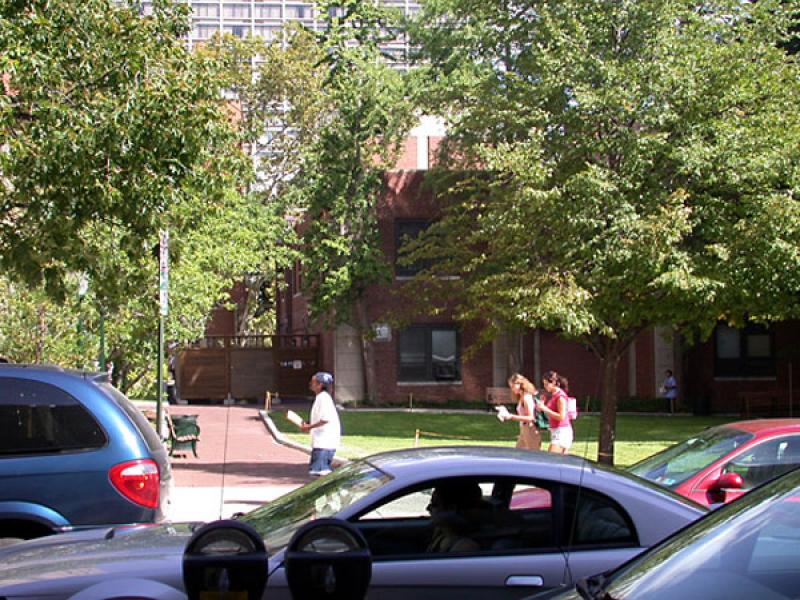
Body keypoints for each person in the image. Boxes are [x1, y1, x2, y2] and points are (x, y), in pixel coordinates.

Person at [300, 371, 341, 476]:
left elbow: (325, 419)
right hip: (322, 443)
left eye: (313, 381)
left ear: (320, 385)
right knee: (318, 472)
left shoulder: (323, 398)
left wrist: (309, 427)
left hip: (324, 443)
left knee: (319, 473)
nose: (310, 383)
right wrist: (309, 425)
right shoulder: (321, 397)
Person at [426, 480, 484, 553]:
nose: (428, 508)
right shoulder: (442, 533)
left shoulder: (464, 547)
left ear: (451, 509)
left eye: (434, 504)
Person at [497, 373, 542, 450]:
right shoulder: (522, 397)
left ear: (520, 384)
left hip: (530, 429)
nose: (512, 389)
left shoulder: (527, 397)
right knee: (518, 455)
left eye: (513, 386)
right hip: (523, 429)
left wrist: (511, 416)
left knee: (533, 456)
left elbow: (531, 417)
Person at [536, 370, 573, 454]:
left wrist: (545, 409)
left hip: (562, 431)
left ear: (554, 382)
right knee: (559, 463)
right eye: (544, 384)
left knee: (550, 460)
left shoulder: (560, 397)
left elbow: (561, 416)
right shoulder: (552, 395)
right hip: (555, 430)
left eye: (547, 384)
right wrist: (541, 406)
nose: (545, 387)